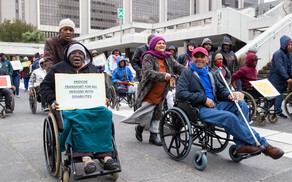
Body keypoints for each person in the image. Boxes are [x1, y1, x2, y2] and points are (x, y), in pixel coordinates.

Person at [175, 47, 284, 159]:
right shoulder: (187, 73)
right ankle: (264, 145)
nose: (199, 59)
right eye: (196, 57)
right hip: (199, 109)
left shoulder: (210, 73)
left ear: (207, 59)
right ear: (192, 58)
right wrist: (203, 99)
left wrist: (228, 94)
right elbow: (180, 93)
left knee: (242, 105)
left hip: (215, 105)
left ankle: (241, 145)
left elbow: (221, 89)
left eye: (202, 56)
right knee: (229, 117)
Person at [40, 42, 119, 174]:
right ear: (68, 55)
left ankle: (106, 155)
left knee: (105, 114)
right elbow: (44, 87)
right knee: (78, 117)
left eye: (80, 53)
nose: (77, 56)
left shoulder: (92, 69)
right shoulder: (58, 68)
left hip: (91, 105)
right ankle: (86, 157)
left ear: (85, 56)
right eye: (74, 53)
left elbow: (102, 86)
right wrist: (53, 101)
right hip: (70, 107)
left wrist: (104, 97)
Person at [121, 36, 184, 146]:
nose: (162, 45)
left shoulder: (168, 57)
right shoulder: (148, 56)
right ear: (153, 45)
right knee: (147, 114)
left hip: (162, 91)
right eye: (159, 43)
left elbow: (178, 67)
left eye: (163, 43)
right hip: (149, 91)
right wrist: (164, 76)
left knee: (157, 114)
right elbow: (148, 72)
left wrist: (191, 70)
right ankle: (139, 128)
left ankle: (153, 136)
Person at [269, 35, 292, 119]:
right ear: (284, 45)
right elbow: (280, 67)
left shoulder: (289, 55)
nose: (290, 46)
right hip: (276, 79)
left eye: (291, 45)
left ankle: (265, 110)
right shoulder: (278, 54)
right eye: (288, 45)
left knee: (274, 97)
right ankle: (278, 111)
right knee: (278, 95)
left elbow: (290, 67)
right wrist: (287, 78)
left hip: (282, 79)